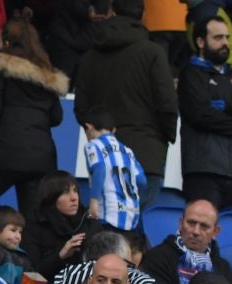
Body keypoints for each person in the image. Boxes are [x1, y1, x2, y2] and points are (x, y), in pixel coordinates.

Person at [72, 0, 178, 209]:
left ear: (112, 12)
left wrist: (99, 137)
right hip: (146, 153)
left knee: (109, 226)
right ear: (143, 15)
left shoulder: (90, 57)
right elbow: (167, 103)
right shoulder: (153, 52)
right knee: (131, 227)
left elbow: (81, 109)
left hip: (103, 156)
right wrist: (165, 137)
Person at [0, 20, 68, 215]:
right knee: (34, 221)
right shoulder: (47, 73)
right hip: (41, 158)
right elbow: (56, 117)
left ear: (6, 40)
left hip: (4, 153)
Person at [179, 15, 232, 213]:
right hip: (203, 171)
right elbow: (200, 115)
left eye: (227, 37)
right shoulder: (191, 74)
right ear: (201, 41)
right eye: (218, 38)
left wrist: (226, 107)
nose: (225, 43)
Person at [139, 199, 232, 284]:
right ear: (181, 224)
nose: (196, 231)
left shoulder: (224, 268)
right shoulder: (156, 258)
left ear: (215, 232)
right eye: (191, 223)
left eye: (204, 226)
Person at [24, 171, 101, 282]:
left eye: (75, 191)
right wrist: (60, 255)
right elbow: (31, 274)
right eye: (65, 192)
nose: (74, 198)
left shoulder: (90, 224)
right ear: (51, 197)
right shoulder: (35, 228)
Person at [81, 107, 147, 233]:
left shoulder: (93, 145)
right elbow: (142, 181)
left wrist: (94, 201)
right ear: (114, 130)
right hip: (131, 214)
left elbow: (99, 168)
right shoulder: (128, 151)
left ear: (88, 127)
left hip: (108, 213)